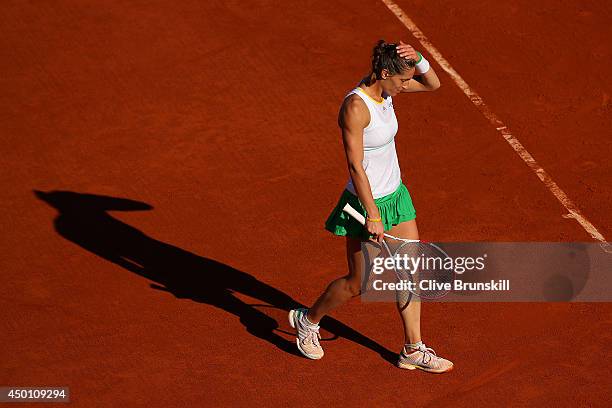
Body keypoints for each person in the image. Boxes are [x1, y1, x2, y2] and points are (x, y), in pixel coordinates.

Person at [289, 40, 453, 373]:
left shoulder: (389, 91)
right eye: (402, 80)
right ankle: (308, 320)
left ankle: (412, 349)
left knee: (409, 272)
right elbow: (355, 166)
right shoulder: (355, 108)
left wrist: (419, 58)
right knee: (358, 284)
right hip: (366, 204)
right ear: (383, 72)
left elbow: (433, 84)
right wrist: (372, 215)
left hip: (396, 196)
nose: (407, 86)